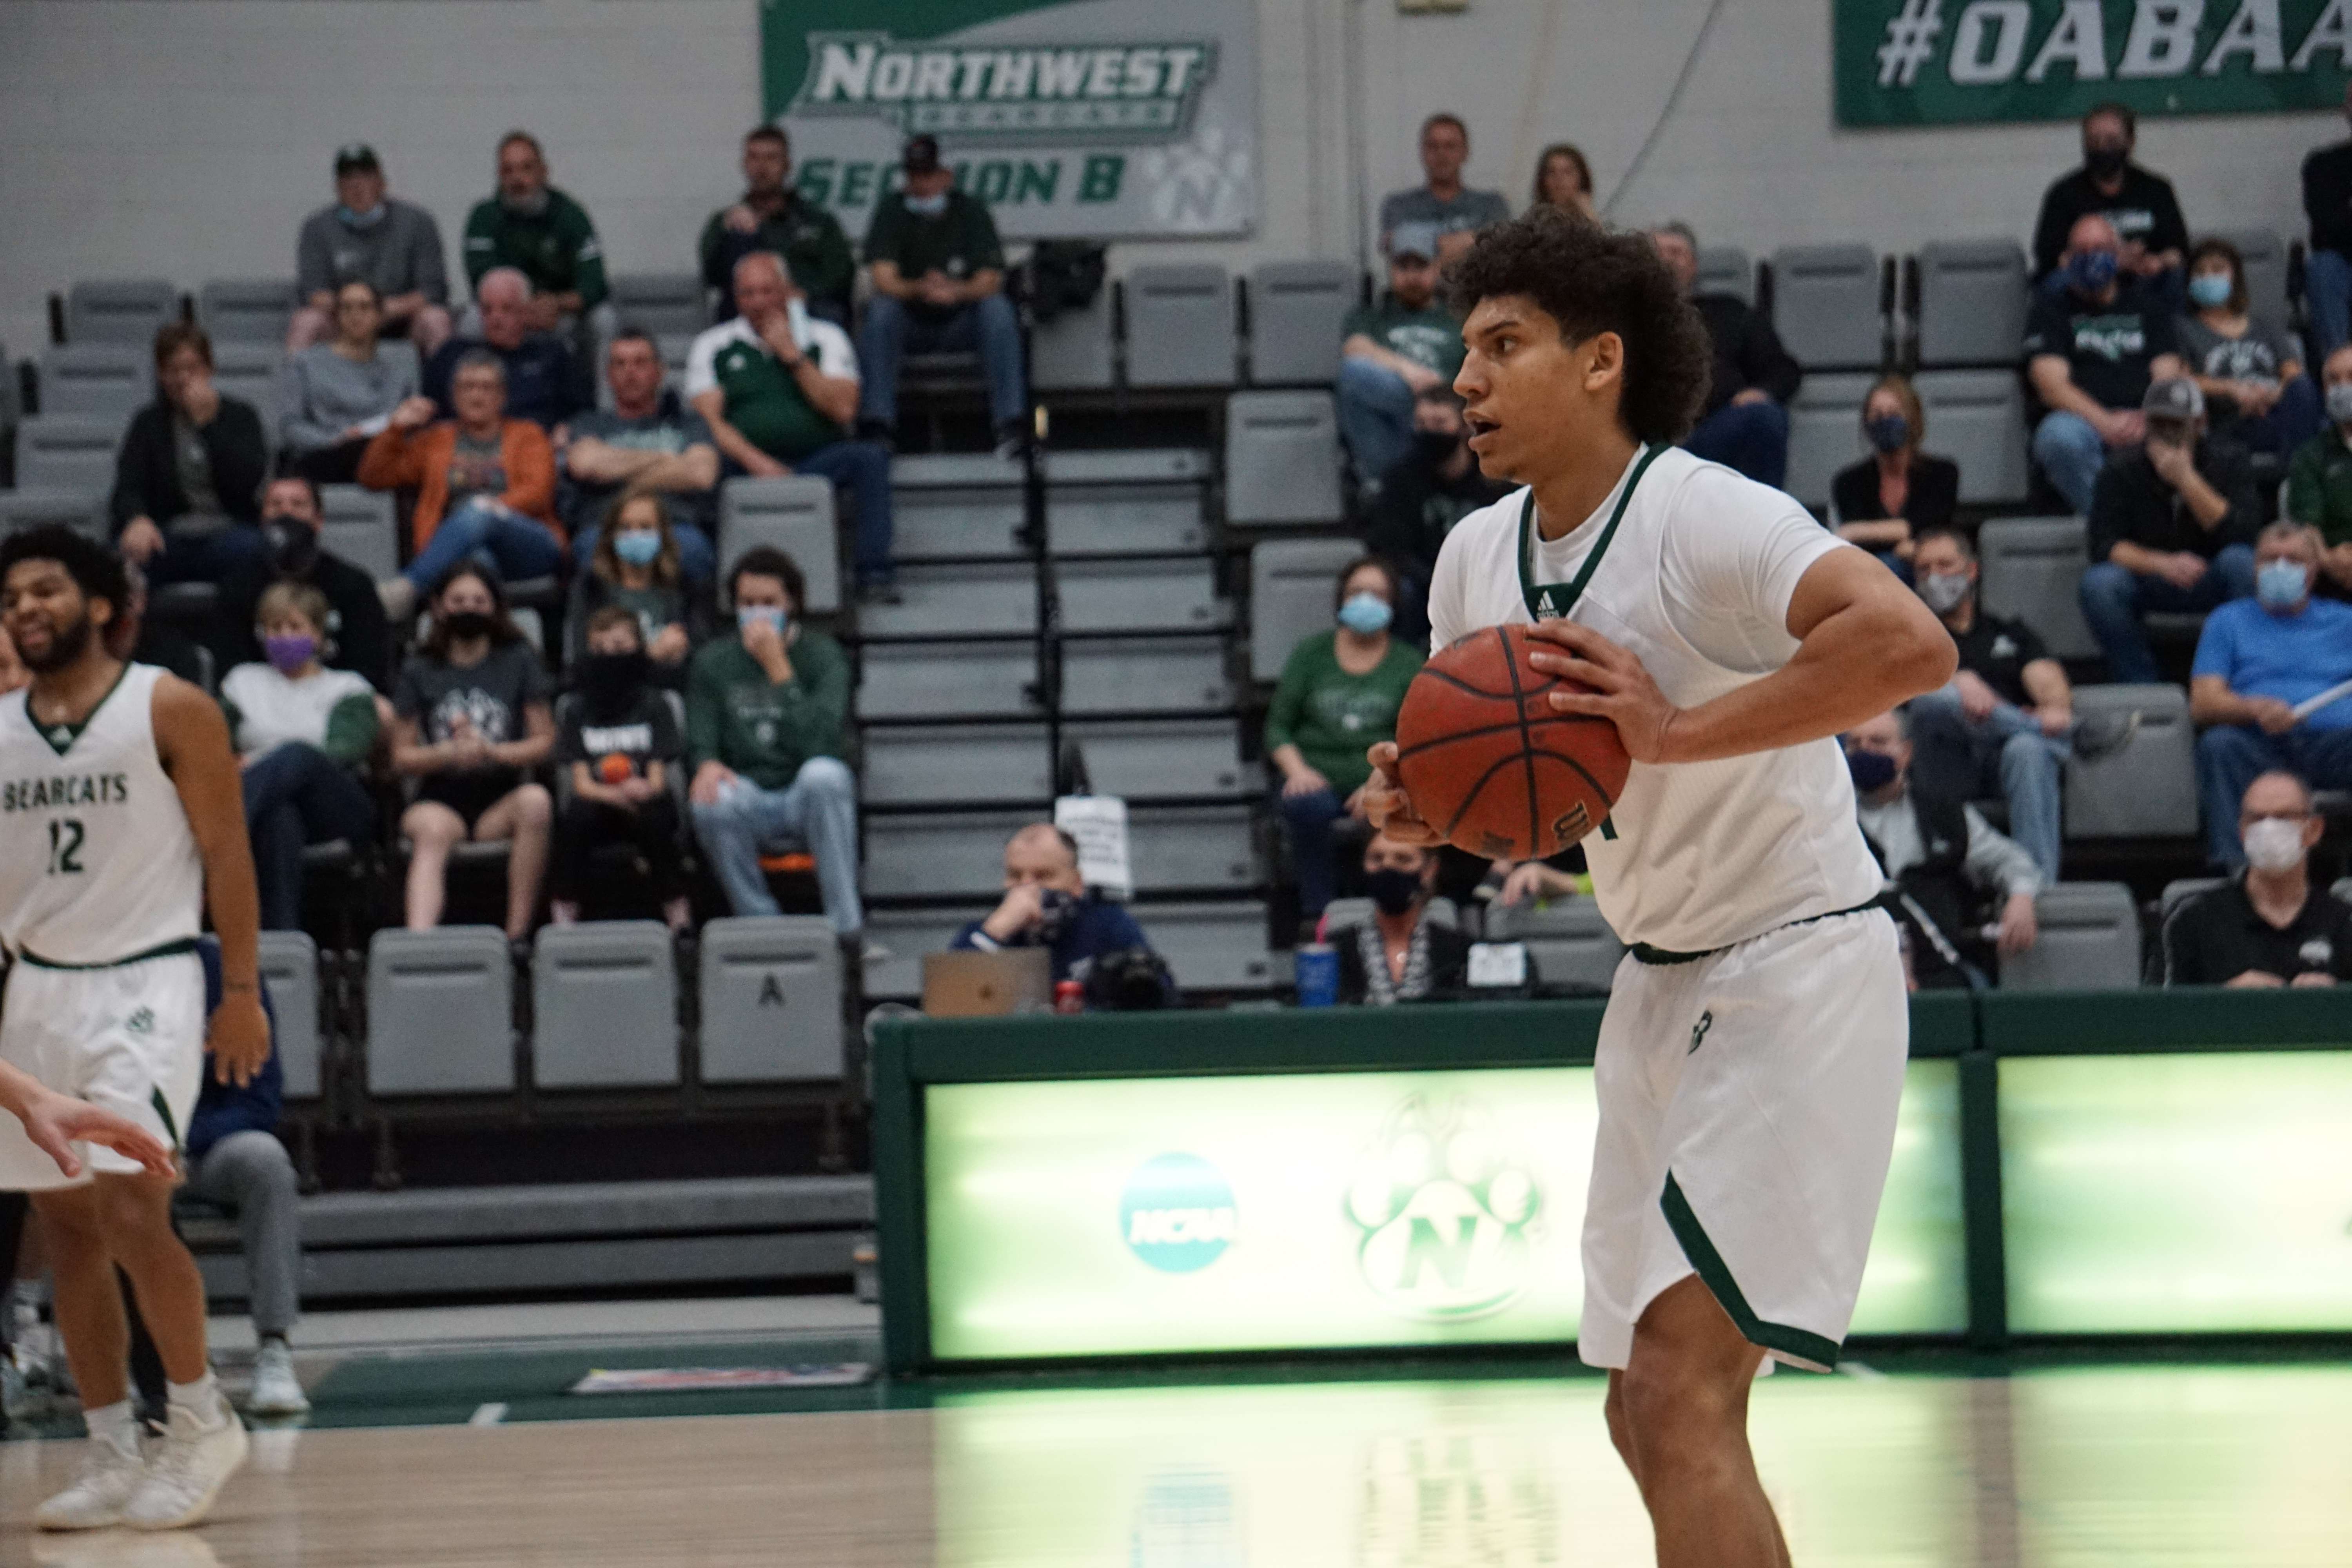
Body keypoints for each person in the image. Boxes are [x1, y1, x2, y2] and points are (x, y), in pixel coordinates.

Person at [1363, 208, 1955, 1562]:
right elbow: (1530, 797)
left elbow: (1909, 643)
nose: (1465, 379)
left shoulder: (1704, 514)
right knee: (1644, 1411)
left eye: (1503, 345)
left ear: (1599, 363)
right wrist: (1427, 803)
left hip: (1796, 962)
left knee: (1679, 1390)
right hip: (1659, 982)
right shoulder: (1474, 557)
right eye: (1464, 350)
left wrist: (1673, 731)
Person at [0, 525, 266, 1530]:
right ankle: (112, 1445)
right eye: (13, 595)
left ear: (103, 602)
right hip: (37, 990)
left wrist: (240, 989)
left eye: (47, 589)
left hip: (148, 977)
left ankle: (199, 1419)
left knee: (131, 1209)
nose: (27, 607)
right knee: (65, 1227)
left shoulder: (168, 703)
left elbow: (228, 852)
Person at [1906, 528, 2127, 885]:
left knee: (2028, 749)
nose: (1934, 577)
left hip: (2003, 761)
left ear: (1972, 571)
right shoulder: (1909, 636)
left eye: (1945, 565)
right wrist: (1958, 681)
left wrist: (2049, 711)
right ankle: (2076, 736)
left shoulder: (2007, 633)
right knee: (1940, 697)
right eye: (1923, 569)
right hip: (1942, 762)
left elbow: (2053, 693)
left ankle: (2036, 888)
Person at [689, 252, 895, 602]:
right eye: (747, 294)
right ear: (736, 298)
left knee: (870, 459)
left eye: (767, 292)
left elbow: (844, 410)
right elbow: (710, 421)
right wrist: (759, 463)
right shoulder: (713, 345)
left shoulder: (825, 337)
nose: (757, 302)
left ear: (787, 292)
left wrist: (792, 356)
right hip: (743, 460)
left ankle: (873, 574)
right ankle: (711, 585)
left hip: (817, 457)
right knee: (703, 464)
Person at [686, 548, 862, 939]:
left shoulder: (823, 655)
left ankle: (846, 930)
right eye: (748, 603)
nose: (758, 613)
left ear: (792, 603)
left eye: (769, 603)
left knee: (826, 776)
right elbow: (702, 737)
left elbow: (821, 741)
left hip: (804, 795)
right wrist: (707, 763)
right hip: (748, 792)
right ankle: (762, 926)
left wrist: (779, 669)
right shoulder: (713, 661)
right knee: (709, 797)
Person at [390, 566, 555, 938]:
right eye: (459, 601)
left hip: (500, 796)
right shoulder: (419, 667)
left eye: (479, 601)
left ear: (496, 609)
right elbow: (401, 757)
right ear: (438, 608)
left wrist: (492, 752)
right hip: (439, 798)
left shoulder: (519, 659)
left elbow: (545, 741)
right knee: (432, 832)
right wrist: (447, 753)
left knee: (537, 802)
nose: (469, 608)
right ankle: (419, 943)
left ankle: (517, 939)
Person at [183, 937, 308, 1417]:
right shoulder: (107, 964)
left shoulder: (229, 973)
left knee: (265, 1159)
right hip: (130, 1147)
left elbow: (260, 1099)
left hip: (207, 1150)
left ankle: (275, 1347)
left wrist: (186, 1141)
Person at [2187, 522, 2352, 868]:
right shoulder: (2227, 621)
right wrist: (2254, 709)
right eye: (2269, 559)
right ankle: (2234, 873)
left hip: (2335, 746)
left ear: (2314, 569)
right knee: (2218, 745)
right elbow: (2203, 702)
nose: (2280, 567)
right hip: (2258, 746)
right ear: (2255, 567)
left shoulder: (2346, 621)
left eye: (2293, 560)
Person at [1268, 557, 1423, 920]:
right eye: (1357, 592)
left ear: (1394, 604)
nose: (1366, 600)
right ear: (1341, 599)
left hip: (1379, 778)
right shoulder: (1310, 654)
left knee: (1389, 809)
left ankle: (1388, 913)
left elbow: (1418, 736)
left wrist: (1384, 779)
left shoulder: (1409, 663)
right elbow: (1278, 727)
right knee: (1307, 806)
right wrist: (1297, 772)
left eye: (1378, 594)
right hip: (1315, 778)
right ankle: (1319, 914)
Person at [221, 581, 380, 931]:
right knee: (281, 818)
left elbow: (345, 752)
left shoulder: (348, 688)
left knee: (299, 755)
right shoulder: (242, 682)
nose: (284, 636)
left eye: (295, 627)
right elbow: (215, 745)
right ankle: (282, 943)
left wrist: (259, 763)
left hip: (334, 804)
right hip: (270, 807)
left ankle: (221, 836)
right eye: (275, 628)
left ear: (320, 634)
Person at [358, 350, 563, 621]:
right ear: (454, 395)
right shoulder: (436, 440)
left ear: (502, 396)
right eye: (468, 387)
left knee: (478, 511)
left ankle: (409, 587)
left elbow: (537, 493)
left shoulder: (528, 435)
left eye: (486, 387)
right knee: (476, 565)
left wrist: (487, 511)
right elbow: (374, 476)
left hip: (529, 544)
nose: (476, 395)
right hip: (460, 548)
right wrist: (396, 428)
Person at [2079, 377, 2260, 684]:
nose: (2167, 433)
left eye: (2176, 423)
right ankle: (2142, 685)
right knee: (2100, 585)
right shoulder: (2121, 468)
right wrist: (2161, 563)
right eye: (2158, 423)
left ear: (2199, 422)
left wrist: (2187, 481)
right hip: (2150, 577)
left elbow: (2243, 533)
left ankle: (2238, 676)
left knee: (2242, 563)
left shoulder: (2230, 459)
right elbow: (2105, 545)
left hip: (2212, 573)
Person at [1844, 709, 2042, 989]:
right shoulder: (1831, 821)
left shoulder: (1944, 814)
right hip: (1857, 973)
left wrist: (2022, 896)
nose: (1865, 751)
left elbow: (2008, 860)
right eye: (1855, 744)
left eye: (1878, 742)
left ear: (1905, 752)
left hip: (1941, 968)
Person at [855, 135, 1027, 455]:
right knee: (881, 312)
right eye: (914, 176)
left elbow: (990, 279)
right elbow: (883, 278)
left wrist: (956, 291)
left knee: (998, 310)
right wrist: (920, 288)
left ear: (945, 176)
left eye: (927, 175)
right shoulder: (892, 209)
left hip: (961, 322)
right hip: (912, 323)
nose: (921, 185)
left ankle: (1011, 425)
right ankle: (877, 427)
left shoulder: (970, 210)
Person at [2025, 214, 2187, 514]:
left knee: (2184, 424)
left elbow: (2167, 375)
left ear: (2117, 256)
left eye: (2100, 249)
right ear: (2066, 259)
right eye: (2081, 251)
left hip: (2145, 420)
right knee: (2057, 436)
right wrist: (2105, 423)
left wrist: (2147, 418)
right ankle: (2113, 525)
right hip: (2084, 424)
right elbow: (2051, 386)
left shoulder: (2148, 308)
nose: (2091, 258)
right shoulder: (2049, 311)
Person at [552, 607, 688, 931]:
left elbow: (658, 776)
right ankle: (564, 911)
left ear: (639, 648)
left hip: (643, 798)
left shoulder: (655, 704)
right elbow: (581, 784)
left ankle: (678, 912)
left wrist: (640, 791)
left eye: (619, 647)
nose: (609, 657)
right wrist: (615, 795)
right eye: (599, 649)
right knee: (574, 820)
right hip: (599, 802)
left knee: (657, 818)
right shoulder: (576, 709)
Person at [111, 323, 271, 591]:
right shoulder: (148, 423)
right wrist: (137, 519)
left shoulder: (241, 416)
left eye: (192, 368)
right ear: (161, 375)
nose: (183, 378)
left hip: (230, 531)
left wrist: (208, 427)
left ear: (209, 369)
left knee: (260, 554)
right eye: (173, 370)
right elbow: (128, 486)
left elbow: (248, 484)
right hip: (168, 535)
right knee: (123, 560)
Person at [2161, 770, 2352, 986]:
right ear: (2242, 832)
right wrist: (2225, 1001)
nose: (2268, 829)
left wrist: (2336, 1000)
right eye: (2257, 819)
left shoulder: (2344, 923)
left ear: (2315, 830)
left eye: (2283, 817)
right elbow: (2156, 1012)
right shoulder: (2193, 918)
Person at [562, 328, 721, 580]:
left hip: (674, 527)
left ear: (660, 371)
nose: (630, 372)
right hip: (605, 527)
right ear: (609, 375)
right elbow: (585, 465)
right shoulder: (588, 424)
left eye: (640, 363)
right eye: (620, 364)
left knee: (695, 551)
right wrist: (667, 461)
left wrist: (614, 468)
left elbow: (701, 475)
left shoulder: (690, 424)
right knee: (588, 550)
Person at [1651, 222, 1800, 489]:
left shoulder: (1731, 312)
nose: (1667, 261)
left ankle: (1761, 524)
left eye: (1676, 252)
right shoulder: (1625, 319)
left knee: (1763, 417)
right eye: (1658, 252)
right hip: (1648, 445)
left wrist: (1762, 392)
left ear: (1694, 266)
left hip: (1714, 432)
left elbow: (1783, 370)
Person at [219, 474, 396, 695]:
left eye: (298, 505)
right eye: (276, 505)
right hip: (261, 701)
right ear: (263, 520)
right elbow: (230, 669)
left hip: (336, 698)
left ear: (319, 520)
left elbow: (370, 669)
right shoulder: (239, 585)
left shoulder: (354, 584)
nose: (286, 513)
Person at [1362, 386, 1513, 634]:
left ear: (1465, 428)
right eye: (1422, 423)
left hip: (1487, 580)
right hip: (1425, 585)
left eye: (1440, 423)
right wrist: (1440, 580)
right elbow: (1391, 548)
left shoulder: (1495, 478)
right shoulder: (1401, 478)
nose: (1430, 432)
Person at [288, 143, 452, 356]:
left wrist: (380, 310)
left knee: (436, 320)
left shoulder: (417, 223)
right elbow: (314, 293)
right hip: (341, 324)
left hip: (401, 324)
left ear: (382, 183)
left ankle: (445, 389)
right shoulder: (317, 227)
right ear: (337, 187)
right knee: (306, 322)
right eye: (348, 179)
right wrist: (356, 311)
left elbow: (432, 290)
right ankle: (292, 388)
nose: (357, 186)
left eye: (365, 177)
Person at [949, 823, 1160, 985]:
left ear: (1077, 883)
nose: (1027, 887)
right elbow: (948, 1000)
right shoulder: (983, 934)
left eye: (1043, 876)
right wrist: (994, 932)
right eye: (1015, 875)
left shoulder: (1110, 926)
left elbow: (1161, 998)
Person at [1338, 225, 1464, 487]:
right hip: (1399, 424)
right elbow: (1355, 348)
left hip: (1453, 417)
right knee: (1354, 373)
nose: (1412, 276)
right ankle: (1389, 486)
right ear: (1390, 269)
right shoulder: (1371, 316)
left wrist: (1441, 394)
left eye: (1420, 266)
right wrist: (1409, 372)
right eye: (1403, 267)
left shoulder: (1457, 318)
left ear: (1437, 267)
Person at [2176, 236, 2319, 458]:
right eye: (2200, 272)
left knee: (2304, 391)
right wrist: (2232, 389)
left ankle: (2297, 479)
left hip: (2275, 410)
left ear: (2236, 277)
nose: (2208, 277)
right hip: (2230, 422)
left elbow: (2293, 372)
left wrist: (2271, 396)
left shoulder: (2263, 326)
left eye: (2217, 270)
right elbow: (2182, 379)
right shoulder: (2183, 329)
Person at [2029, 102, 2189, 299]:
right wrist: (2112, 262)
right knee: (2055, 283)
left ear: (2130, 142)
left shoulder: (2156, 189)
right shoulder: (2064, 193)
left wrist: (2158, 262)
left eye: (2111, 141)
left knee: (2178, 279)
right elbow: (2049, 256)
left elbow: (2179, 249)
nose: (2102, 147)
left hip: (2145, 278)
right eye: (2094, 141)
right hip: (2085, 280)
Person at [700, 125, 853, 327]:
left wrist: (803, 293)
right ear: (744, 164)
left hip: (805, 310)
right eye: (754, 158)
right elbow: (710, 276)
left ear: (788, 165)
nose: (762, 167)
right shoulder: (726, 222)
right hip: (747, 314)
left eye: (771, 158)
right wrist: (726, 233)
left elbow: (842, 275)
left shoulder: (817, 220)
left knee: (829, 312)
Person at [461, 131, 609, 336]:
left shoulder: (570, 214)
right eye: (508, 170)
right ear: (499, 175)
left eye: (526, 168)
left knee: (604, 318)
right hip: (504, 309)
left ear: (544, 171)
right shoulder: (483, 217)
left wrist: (557, 303)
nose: (517, 179)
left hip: (561, 311)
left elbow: (595, 282)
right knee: (472, 321)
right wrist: (523, 307)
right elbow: (481, 279)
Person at [278, 279, 419, 485]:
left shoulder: (399, 369)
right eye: (347, 308)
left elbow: (409, 424)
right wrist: (335, 440)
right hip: (326, 454)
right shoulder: (306, 363)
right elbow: (291, 425)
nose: (356, 315)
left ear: (380, 316)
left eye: (365, 307)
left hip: (383, 459)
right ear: (335, 317)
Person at [421, 267, 588, 432]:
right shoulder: (452, 355)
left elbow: (582, 413)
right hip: (465, 451)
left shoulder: (553, 355)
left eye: (506, 309)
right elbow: (429, 415)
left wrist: (566, 430)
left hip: (536, 448)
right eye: (487, 310)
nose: (496, 318)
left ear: (526, 311)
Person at [1827, 375, 1957, 585]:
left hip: (1931, 572)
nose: (1885, 421)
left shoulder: (1942, 473)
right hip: (1869, 576)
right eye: (1877, 415)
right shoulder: (1849, 481)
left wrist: (1856, 531)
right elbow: (1858, 549)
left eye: (1894, 414)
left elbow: (1932, 527)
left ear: (1913, 419)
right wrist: (1904, 544)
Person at [578, 489, 712, 687]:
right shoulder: (592, 589)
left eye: (646, 528)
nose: (636, 536)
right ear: (610, 535)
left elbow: (702, 655)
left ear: (663, 535)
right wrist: (650, 655)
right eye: (625, 528)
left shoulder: (685, 588)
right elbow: (582, 662)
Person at [1328, 833, 1471, 1005]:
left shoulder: (1458, 949)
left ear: (1429, 870)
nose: (1388, 867)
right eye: (1377, 858)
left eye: (1403, 859)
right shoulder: (1336, 949)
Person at [1377, 113, 1512, 260]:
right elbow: (1398, 251)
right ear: (1422, 151)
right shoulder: (1398, 205)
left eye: (1450, 146)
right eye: (1433, 146)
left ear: (1465, 152)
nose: (1441, 154)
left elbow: (1498, 249)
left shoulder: (1492, 204)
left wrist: (1415, 241)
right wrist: (1472, 241)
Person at [2285, 343, 2352, 597]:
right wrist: (2327, 560)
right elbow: (2307, 523)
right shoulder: (2310, 455)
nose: (2343, 388)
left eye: (2351, 377)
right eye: (2333, 381)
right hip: (2331, 575)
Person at [2302, 83, 2352, 360]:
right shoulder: (2324, 164)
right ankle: (2342, 372)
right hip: (2344, 264)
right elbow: (2325, 230)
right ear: (2347, 110)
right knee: (2323, 267)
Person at [1530, 143, 1596, 220]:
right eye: (1552, 172)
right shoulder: (1533, 223)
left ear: (1582, 178)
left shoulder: (1591, 217)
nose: (1559, 178)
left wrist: (1589, 213)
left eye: (1567, 172)